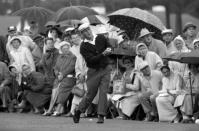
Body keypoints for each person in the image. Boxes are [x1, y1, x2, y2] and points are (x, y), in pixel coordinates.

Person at [73, 23, 112, 124]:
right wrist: (103, 54)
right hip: (93, 71)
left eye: (88, 30)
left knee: (103, 92)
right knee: (90, 94)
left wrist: (109, 50)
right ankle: (78, 111)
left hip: (106, 68)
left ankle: (101, 115)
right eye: (84, 31)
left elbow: (109, 46)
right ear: (82, 34)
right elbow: (91, 60)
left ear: (90, 29)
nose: (87, 32)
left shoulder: (100, 37)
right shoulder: (83, 46)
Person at [44, 41, 76, 116]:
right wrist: (57, 73)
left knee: (62, 88)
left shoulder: (73, 57)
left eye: (67, 48)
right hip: (59, 77)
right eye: (63, 48)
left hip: (69, 78)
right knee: (54, 90)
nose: (65, 50)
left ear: (69, 48)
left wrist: (62, 74)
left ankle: (58, 109)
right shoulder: (60, 57)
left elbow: (71, 67)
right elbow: (56, 67)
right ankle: (50, 109)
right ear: (61, 49)